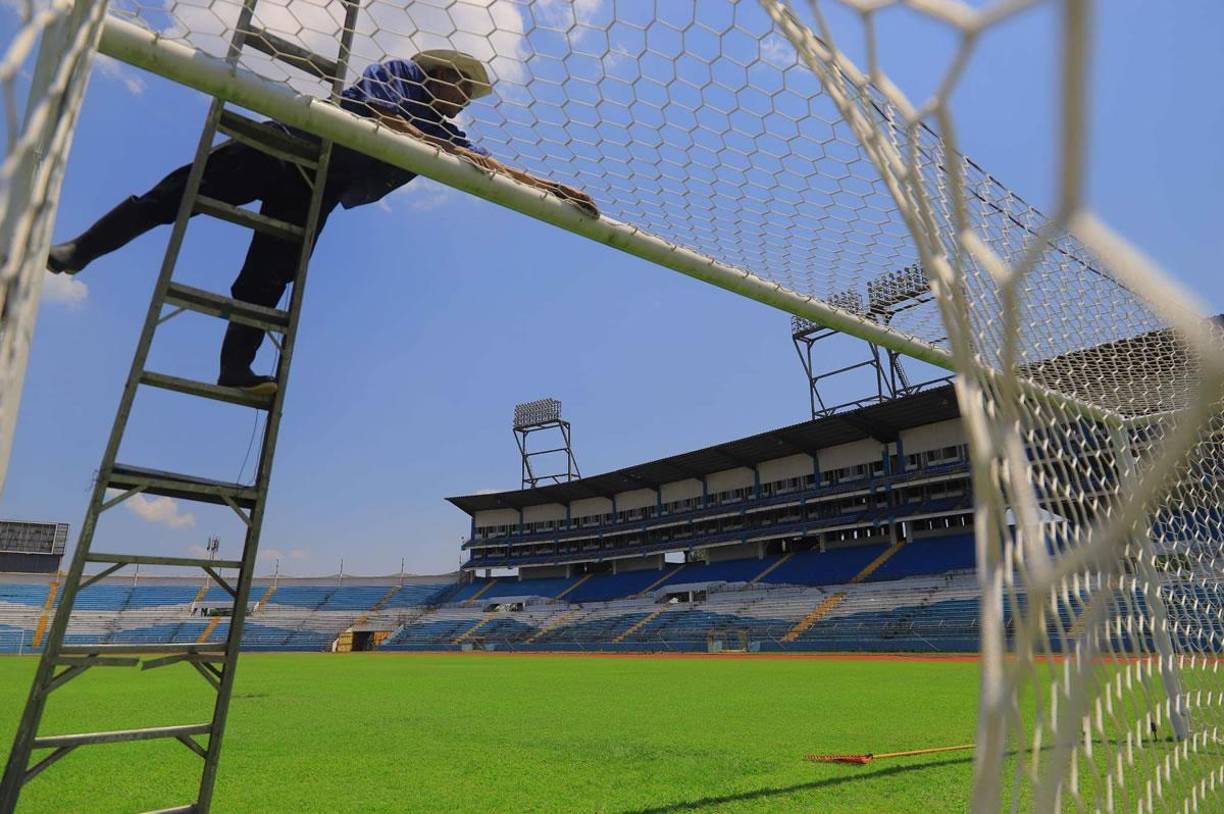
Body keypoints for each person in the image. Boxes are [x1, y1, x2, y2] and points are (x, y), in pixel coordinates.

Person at [46, 50, 598, 395]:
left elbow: (486, 165)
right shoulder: (402, 73)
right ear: (441, 74)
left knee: (268, 278)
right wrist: (436, 144)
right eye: (462, 90)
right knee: (177, 195)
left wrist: (554, 188)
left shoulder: (447, 132)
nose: (463, 104)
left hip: (319, 188)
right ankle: (81, 249)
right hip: (289, 146)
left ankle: (234, 368)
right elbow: (382, 118)